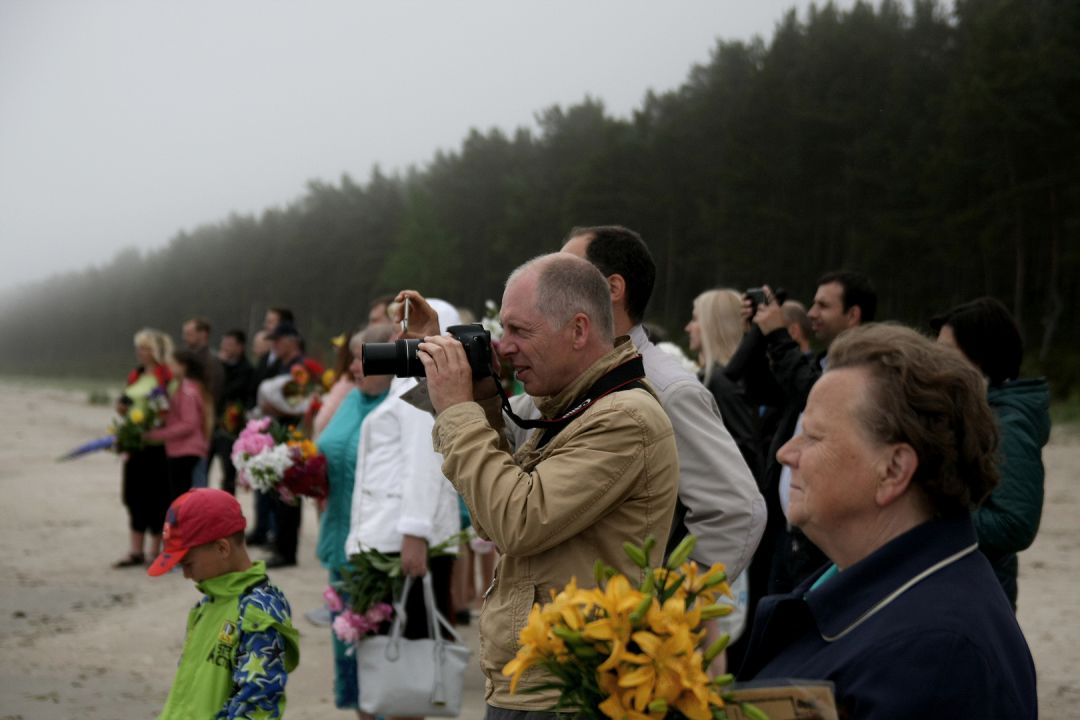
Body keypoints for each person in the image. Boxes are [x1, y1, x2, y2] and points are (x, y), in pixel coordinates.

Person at [414, 253, 680, 718]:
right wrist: (483, 400)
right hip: (537, 679)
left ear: (578, 330)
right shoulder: (570, 406)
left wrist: (458, 411)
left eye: (519, 330)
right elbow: (491, 518)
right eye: (502, 330)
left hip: (572, 690)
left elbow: (517, 521)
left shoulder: (624, 418)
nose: (504, 347)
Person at [738, 323, 1036, 717]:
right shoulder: (872, 586)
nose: (786, 454)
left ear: (893, 471)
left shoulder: (939, 659)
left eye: (813, 436)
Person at [346, 299, 464, 720]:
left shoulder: (421, 389)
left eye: (410, 329)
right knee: (387, 660)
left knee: (405, 666)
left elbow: (424, 464)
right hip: (388, 540)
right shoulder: (404, 386)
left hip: (403, 546)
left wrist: (415, 533)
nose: (399, 337)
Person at [932, 297, 1051, 609]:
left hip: (980, 592)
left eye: (946, 352)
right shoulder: (976, 411)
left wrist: (933, 516)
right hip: (963, 582)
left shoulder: (1007, 425)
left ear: (980, 358)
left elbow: (1015, 524)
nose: (935, 361)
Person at [148, 488, 300, 719]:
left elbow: (256, 704)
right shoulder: (209, 603)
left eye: (188, 564)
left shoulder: (257, 612)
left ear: (222, 548)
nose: (186, 575)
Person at [314, 324, 393, 712]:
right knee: (350, 659)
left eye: (362, 358)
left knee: (382, 666)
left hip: (379, 559)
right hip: (339, 547)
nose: (352, 367)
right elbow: (327, 450)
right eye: (352, 358)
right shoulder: (352, 400)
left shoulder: (401, 408)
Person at [684, 287, 762, 481]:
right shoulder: (730, 379)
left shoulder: (721, 383)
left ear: (714, 325)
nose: (688, 327)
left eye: (695, 319)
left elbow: (746, 452)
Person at [114, 328, 174, 568]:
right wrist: (121, 408)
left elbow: (169, 408)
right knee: (133, 495)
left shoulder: (165, 375)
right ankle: (135, 550)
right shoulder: (136, 374)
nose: (140, 352)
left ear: (156, 351)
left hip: (157, 444)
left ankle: (154, 551)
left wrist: (156, 420)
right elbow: (127, 402)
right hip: (134, 442)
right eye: (139, 348)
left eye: (146, 348)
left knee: (156, 497)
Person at [145, 349, 214, 502]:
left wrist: (156, 435)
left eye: (172, 364)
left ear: (184, 366)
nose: (169, 367)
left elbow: (189, 423)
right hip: (184, 449)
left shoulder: (188, 391)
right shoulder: (188, 387)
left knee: (181, 498)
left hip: (185, 450)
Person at [213, 329, 254, 495]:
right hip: (213, 423)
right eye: (223, 344)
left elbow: (229, 390)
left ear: (240, 347)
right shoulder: (216, 365)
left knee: (229, 473)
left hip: (232, 427)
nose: (225, 348)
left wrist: (223, 366)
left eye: (230, 344)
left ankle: (227, 505)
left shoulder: (247, 369)